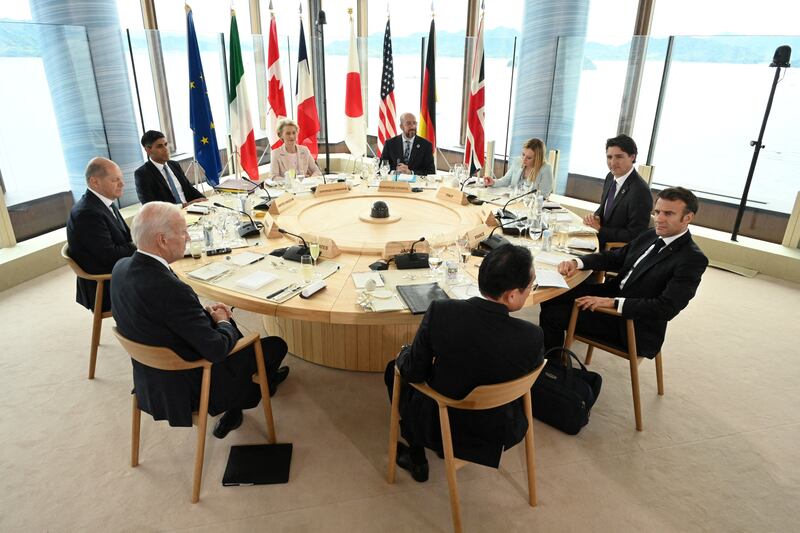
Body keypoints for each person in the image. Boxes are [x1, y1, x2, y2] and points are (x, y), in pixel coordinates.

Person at [111, 202, 290, 438]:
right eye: (183, 232)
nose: (188, 237)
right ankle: (246, 395)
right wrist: (223, 321)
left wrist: (202, 315)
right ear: (162, 240)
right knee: (274, 345)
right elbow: (215, 350)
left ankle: (249, 392)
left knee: (227, 328)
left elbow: (161, 315)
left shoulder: (121, 268)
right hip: (192, 385)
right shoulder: (170, 290)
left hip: (150, 379)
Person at [384, 244, 544, 482]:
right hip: (501, 428)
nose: (529, 291)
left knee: (393, 368)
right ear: (512, 295)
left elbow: (414, 372)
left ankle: (416, 455)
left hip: (440, 426)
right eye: (530, 287)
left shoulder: (442, 311)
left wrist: (404, 353)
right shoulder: (531, 336)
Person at [540, 187, 709, 358]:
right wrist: (577, 262)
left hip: (632, 324)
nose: (659, 219)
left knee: (552, 315)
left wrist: (612, 302)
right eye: (657, 212)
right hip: (614, 293)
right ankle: (551, 357)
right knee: (552, 294)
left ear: (688, 217)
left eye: (668, 214)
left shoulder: (692, 259)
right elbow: (615, 257)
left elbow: (666, 308)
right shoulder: (652, 235)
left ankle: (552, 370)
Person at [66, 157, 137, 312]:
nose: (122, 184)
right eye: (115, 180)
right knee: (165, 281)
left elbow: (125, 239)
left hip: (118, 270)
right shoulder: (87, 214)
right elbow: (110, 255)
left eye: (121, 179)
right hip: (106, 285)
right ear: (94, 182)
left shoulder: (103, 202)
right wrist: (141, 245)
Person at [583, 134, 653, 249]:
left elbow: (635, 234)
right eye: (609, 157)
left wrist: (600, 229)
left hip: (615, 251)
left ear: (632, 157)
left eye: (619, 157)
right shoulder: (610, 177)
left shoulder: (640, 191)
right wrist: (593, 218)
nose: (613, 162)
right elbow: (604, 209)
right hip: (597, 240)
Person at [134, 130, 206, 206]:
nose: (165, 149)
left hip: (191, 211)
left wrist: (204, 200)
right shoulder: (142, 174)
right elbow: (150, 207)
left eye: (165, 144)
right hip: (169, 216)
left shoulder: (174, 164)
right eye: (159, 146)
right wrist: (184, 206)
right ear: (148, 150)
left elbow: (189, 189)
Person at [484, 138, 554, 198]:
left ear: (537, 158)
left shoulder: (546, 169)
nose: (524, 159)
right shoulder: (517, 161)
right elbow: (506, 180)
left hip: (530, 206)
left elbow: (544, 195)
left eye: (529, 158)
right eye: (523, 154)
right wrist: (493, 182)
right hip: (511, 201)